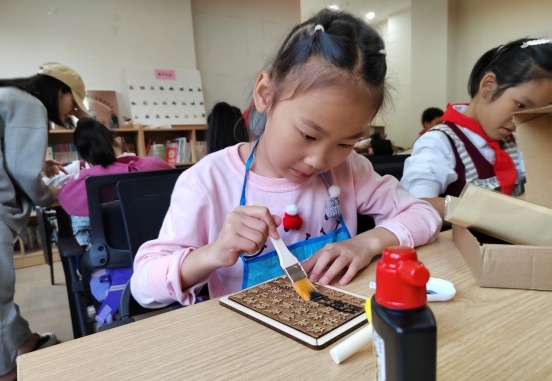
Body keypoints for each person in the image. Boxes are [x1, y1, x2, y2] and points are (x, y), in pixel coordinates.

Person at [130, 9, 442, 309]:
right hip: (244, 340)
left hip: (331, 324)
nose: (319, 160)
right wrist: (214, 253)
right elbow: (143, 287)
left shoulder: (349, 170)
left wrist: (366, 243)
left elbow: (424, 214)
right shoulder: (208, 182)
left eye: (345, 143)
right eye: (308, 135)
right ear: (265, 94)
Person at [0, 62, 88, 381]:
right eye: (72, 103)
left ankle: (22, 342)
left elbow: (13, 159)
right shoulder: (29, 104)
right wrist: (51, 195)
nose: (70, 113)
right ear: (59, 89)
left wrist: (40, 168)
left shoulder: (9, 96)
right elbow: (24, 173)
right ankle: (6, 373)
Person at [401, 38, 552, 218]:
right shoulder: (439, 142)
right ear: (488, 86)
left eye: (534, 112)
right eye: (520, 105)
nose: (520, 120)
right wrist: (503, 210)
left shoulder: (515, 142)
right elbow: (418, 203)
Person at [57, 118, 174, 326]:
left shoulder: (81, 183)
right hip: (160, 254)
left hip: (110, 262)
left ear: (82, 155)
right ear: (116, 141)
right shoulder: (153, 165)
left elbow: (63, 199)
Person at [58, 118, 174, 245]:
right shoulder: (154, 164)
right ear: (118, 141)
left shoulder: (84, 181)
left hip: (113, 249)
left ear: (85, 157)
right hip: (161, 241)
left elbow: (65, 201)